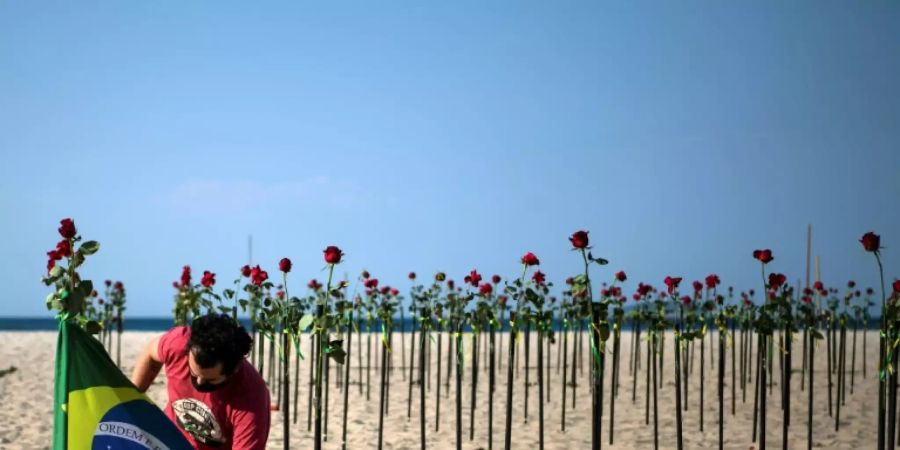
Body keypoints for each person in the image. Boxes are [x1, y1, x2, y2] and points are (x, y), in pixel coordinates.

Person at [131, 313, 270, 449]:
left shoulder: (251, 397)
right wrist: (131, 399)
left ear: (233, 371)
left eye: (211, 379)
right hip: (165, 440)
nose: (199, 382)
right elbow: (150, 353)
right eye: (193, 372)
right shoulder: (178, 344)